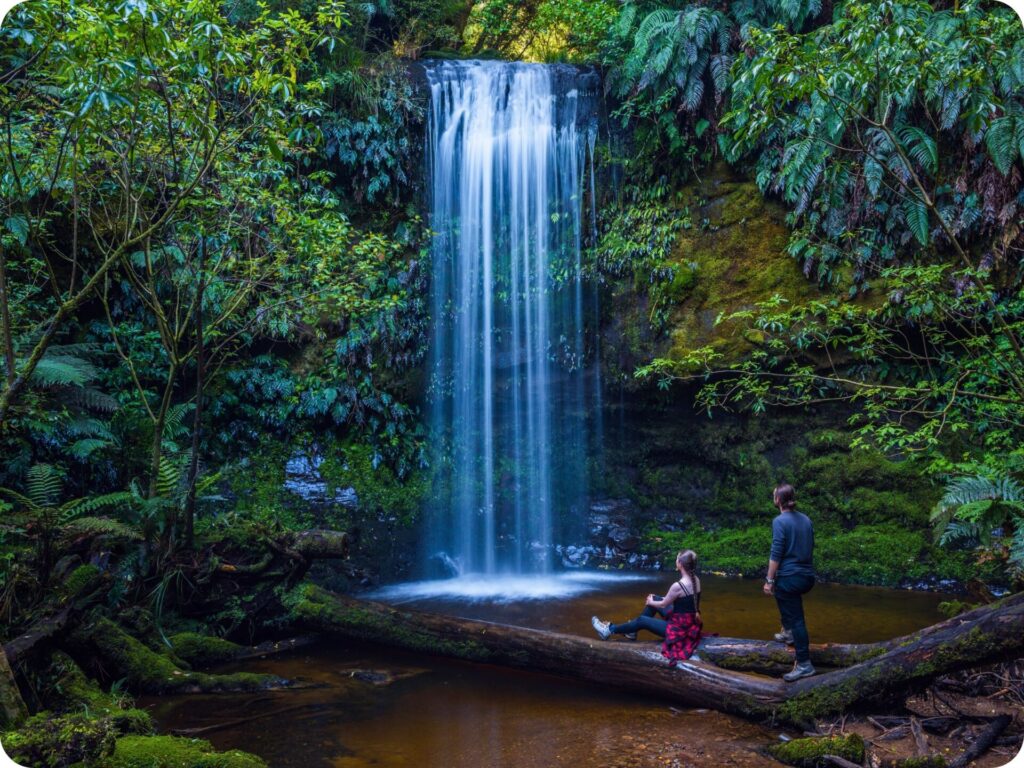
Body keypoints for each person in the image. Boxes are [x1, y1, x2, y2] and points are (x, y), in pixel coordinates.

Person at [591, 550, 703, 664]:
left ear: (679, 563)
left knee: (642, 619)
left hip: (679, 629)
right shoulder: (696, 580)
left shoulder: (678, 586)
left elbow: (664, 604)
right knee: (655, 599)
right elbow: (679, 601)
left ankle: (609, 630)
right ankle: (632, 631)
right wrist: (654, 600)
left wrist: (650, 602)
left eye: (677, 558)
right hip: (688, 622)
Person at [764, 483, 816, 681]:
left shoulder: (779, 521)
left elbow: (776, 553)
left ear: (778, 500)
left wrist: (769, 580)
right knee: (782, 591)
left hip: (791, 578)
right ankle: (788, 633)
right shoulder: (806, 519)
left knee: (797, 619)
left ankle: (804, 664)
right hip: (807, 576)